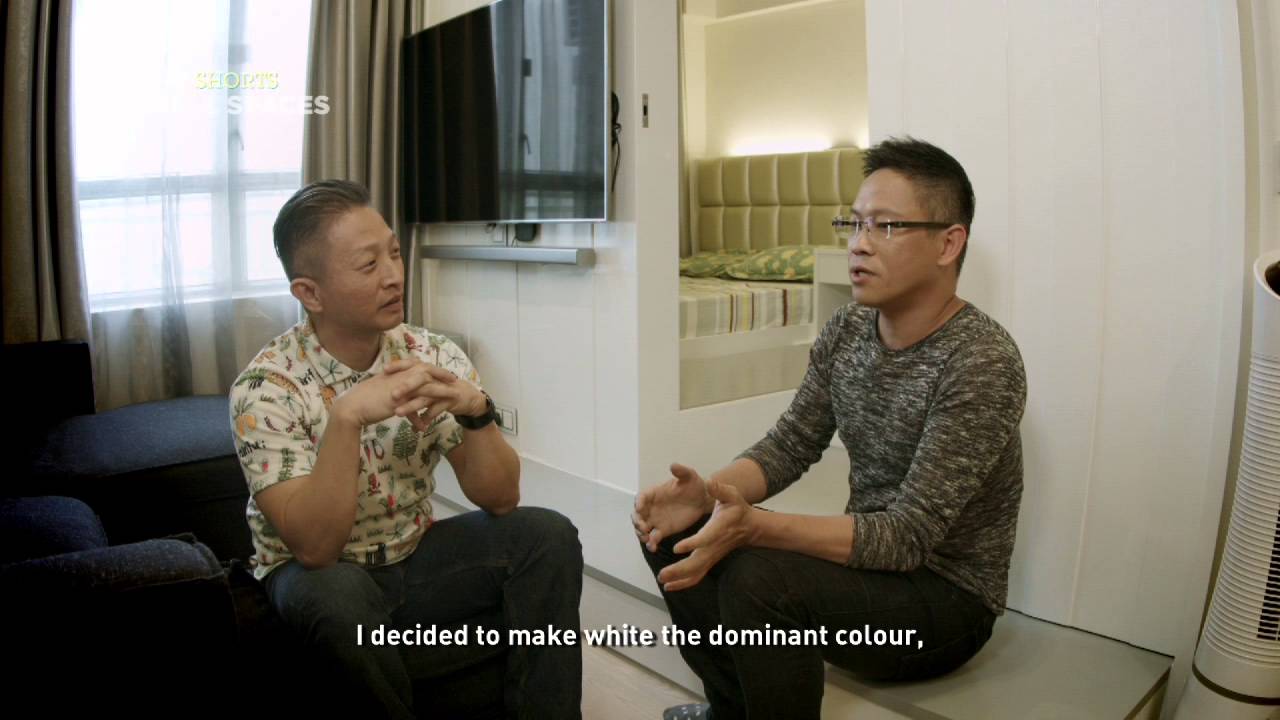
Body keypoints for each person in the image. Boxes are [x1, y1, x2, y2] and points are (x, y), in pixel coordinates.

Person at [633, 138, 1027, 720]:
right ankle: (732, 710)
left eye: (885, 226)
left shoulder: (981, 361)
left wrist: (756, 529)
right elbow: (790, 444)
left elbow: (908, 536)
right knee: (674, 531)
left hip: (943, 603)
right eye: (855, 223)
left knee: (758, 577)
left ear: (949, 243)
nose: (859, 244)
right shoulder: (847, 329)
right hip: (867, 569)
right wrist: (710, 495)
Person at [230, 179, 583, 719]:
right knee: (336, 593)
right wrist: (347, 417)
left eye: (394, 253)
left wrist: (476, 411)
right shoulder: (266, 389)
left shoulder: (431, 355)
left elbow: (501, 498)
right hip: (310, 575)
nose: (394, 275)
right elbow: (315, 549)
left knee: (546, 534)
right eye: (368, 265)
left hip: (413, 554)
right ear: (310, 294)